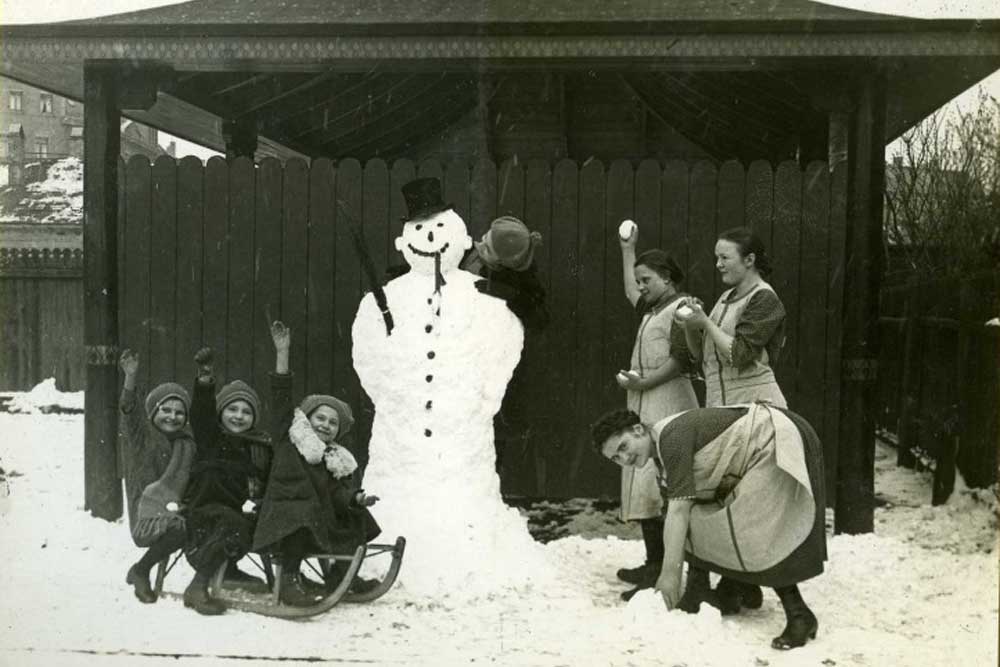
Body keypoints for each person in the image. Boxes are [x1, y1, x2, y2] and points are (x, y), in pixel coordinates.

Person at [591, 404, 826, 650]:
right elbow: (679, 511)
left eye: (623, 447)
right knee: (703, 519)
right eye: (616, 458)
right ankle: (738, 590)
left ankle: (800, 615)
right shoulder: (659, 452)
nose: (624, 459)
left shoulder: (671, 438)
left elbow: (679, 510)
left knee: (752, 527)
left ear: (638, 430)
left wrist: (670, 576)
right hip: (758, 450)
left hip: (777, 439)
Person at [676, 226, 788, 611]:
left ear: (750, 260)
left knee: (745, 499)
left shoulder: (766, 300)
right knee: (717, 494)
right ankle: (732, 584)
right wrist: (694, 328)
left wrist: (704, 321)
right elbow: (700, 357)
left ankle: (735, 583)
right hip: (721, 407)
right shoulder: (725, 298)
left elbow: (739, 354)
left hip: (757, 407)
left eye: (725, 257)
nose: (718, 263)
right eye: (717, 256)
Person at [252, 321, 381, 606]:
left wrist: (356, 498)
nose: (325, 425)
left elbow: (336, 493)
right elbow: (281, 396)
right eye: (320, 418)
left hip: (316, 515)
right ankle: (288, 580)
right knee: (302, 515)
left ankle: (341, 574)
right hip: (284, 515)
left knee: (356, 517)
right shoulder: (290, 436)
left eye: (333, 423)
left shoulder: (333, 458)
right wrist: (282, 352)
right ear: (307, 419)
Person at [613, 223, 698, 601]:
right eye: (640, 281)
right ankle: (652, 563)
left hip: (670, 405)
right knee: (644, 484)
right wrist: (627, 249)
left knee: (664, 489)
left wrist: (642, 384)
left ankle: (665, 570)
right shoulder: (654, 305)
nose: (641, 286)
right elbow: (631, 290)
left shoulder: (682, 309)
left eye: (647, 280)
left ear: (667, 278)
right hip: (645, 403)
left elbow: (681, 361)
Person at [182, 350, 271, 615]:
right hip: (201, 509)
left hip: (229, 512)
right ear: (220, 413)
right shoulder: (211, 438)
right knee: (233, 523)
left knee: (254, 522)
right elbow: (201, 413)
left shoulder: (255, 446)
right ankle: (198, 587)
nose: (239, 416)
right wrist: (205, 380)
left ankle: (230, 570)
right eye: (232, 409)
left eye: (246, 412)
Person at [118, 349, 197, 604]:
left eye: (179, 412)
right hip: (147, 511)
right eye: (166, 410)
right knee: (178, 530)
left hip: (178, 506)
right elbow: (129, 412)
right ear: (154, 413)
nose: (172, 417)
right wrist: (130, 378)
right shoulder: (142, 437)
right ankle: (141, 571)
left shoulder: (187, 443)